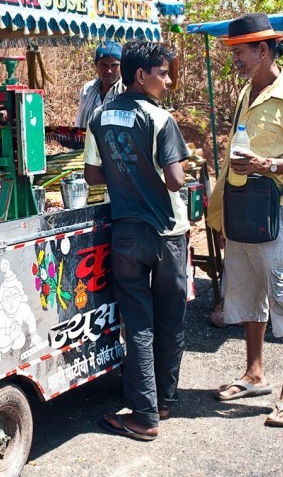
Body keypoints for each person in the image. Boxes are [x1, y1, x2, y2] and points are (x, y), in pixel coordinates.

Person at [206, 13, 283, 427]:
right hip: (242, 212)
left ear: (263, 50)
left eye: (239, 52)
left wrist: (270, 164)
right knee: (247, 295)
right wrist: (222, 216)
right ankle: (254, 373)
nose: (235, 60)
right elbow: (230, 161)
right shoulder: (246, 94)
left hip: (277, 213)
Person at [84, 40, 190, 441]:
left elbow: (93, 176)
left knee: (138, 324)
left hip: (127, 232)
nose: (167, 80)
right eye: (162, 73)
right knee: (170, 318)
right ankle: (158, 406)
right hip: (169, 233)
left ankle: (147, 410)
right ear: (140, 75)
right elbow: (176, 180)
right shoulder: (160, 119)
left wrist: (125, 175)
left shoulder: (99, 117)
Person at [74, 41, 125, 128]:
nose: (109, 71)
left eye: (114, 65)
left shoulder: (126, 92)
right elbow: (79, 122)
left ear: (122, 67)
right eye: (104, 65)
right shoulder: (87, 89)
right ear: (96, 65)